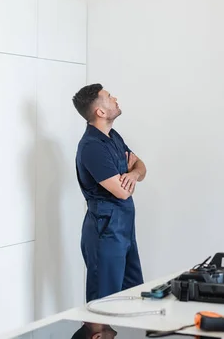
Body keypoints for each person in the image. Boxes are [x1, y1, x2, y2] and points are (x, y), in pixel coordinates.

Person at [72, 83, 146, 302]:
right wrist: (132, 173)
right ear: (100, 112)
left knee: (132, 297)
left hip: (124, 229)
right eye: (108, 96)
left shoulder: (113, 137)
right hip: (105, 231)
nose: (115, 98)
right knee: (106, 303)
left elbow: (141, 166)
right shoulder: (92, 147)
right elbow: (122, 192)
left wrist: (132, 175)